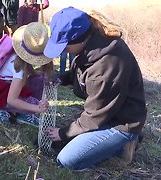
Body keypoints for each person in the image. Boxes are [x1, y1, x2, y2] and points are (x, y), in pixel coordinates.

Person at [44, 7, 147, 170]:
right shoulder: (90, 47)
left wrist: (62, 133)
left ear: (80, 40)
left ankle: (124, 143)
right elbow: (79, 74)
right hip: (106, 112)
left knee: (66, 160)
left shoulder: (107, 66)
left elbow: (95, 116)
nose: (62, 50)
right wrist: (61, 78)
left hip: (120, 122)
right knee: (70, 142)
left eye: (64, 45)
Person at [0, 22, 53, 127]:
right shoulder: (19, 68)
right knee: (35, 93)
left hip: (0, 88)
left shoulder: (13, 54)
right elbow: (12, 100)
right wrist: (37, 108)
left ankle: (14, 111)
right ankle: (2, 109)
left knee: (39, 78)